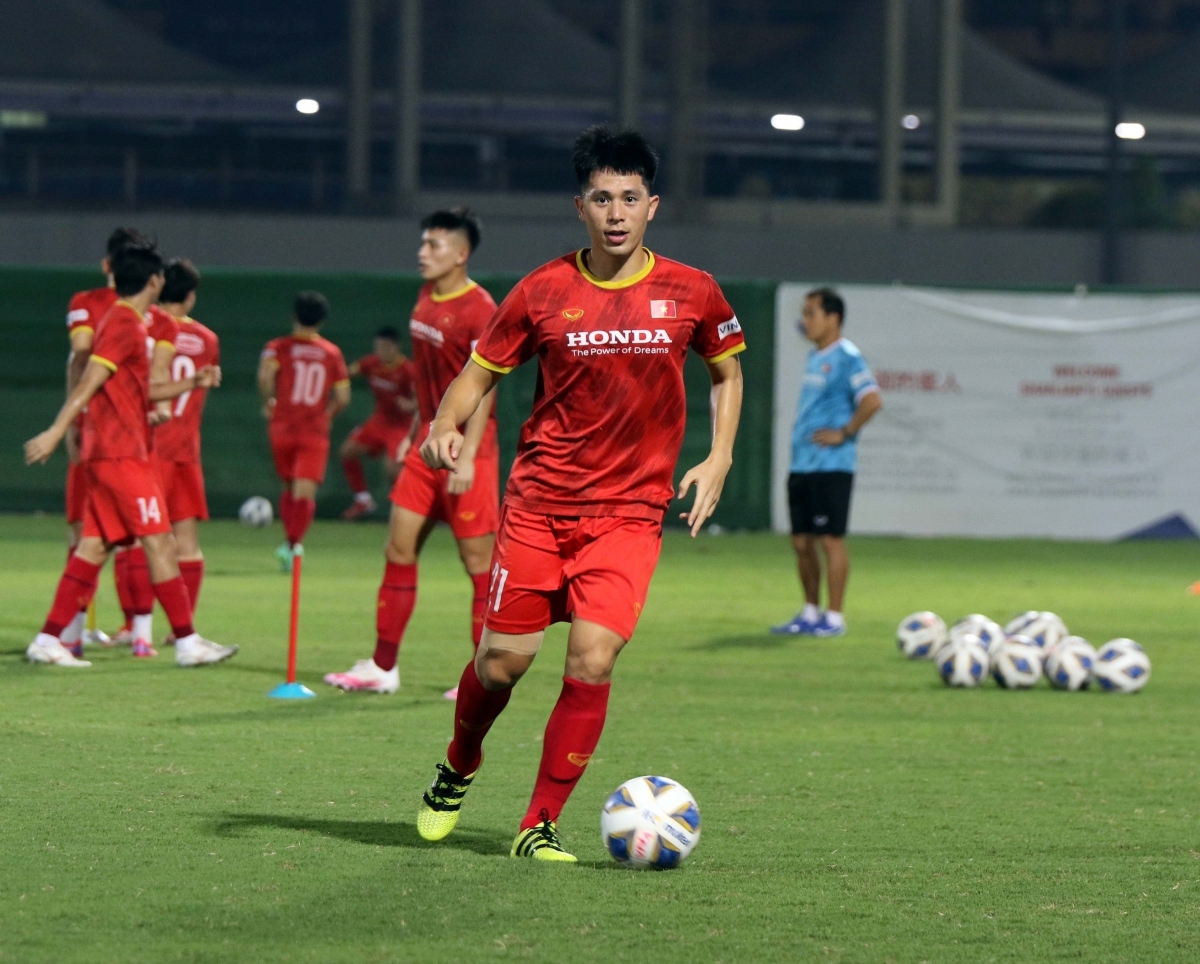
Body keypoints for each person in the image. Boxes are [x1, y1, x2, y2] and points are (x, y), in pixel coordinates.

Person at [413, 126, 745, 861]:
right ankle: (458, 763)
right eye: (602, 198)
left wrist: (718, 456)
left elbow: (726, 369)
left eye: (630, 197)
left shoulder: (692, 291)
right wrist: (446, 425)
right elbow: (477, 375)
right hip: (538, 506)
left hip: (628, 514)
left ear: (652, 206)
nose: (617, 211)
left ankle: (538, 824)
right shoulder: (542, 290)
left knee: (592, 658)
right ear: (581, 207)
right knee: (502, 664)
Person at [24, 241, 236, 668]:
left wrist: (193, 381)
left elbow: (142, 390)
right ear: (154, 280)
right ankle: (187, 641)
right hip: (120, 456)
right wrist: (56, 430)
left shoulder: (132, 322)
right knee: (160, 540)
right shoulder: (124, 322)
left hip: (116, 452)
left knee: (95, 547)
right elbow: (90, 380)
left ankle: (47, 639)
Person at [324, 208, 499, 700]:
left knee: (478, 566)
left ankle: (480, 680)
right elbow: (428, 382)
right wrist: (411, 433)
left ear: (461, 255)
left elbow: (486, 390)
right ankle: (383, 668)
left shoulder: (481, 310)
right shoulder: (424, 300)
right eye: (423, 243)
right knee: (398, 549)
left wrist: (467, 459)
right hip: (425, 447)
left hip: (471, 453)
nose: (423, 253)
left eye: (434, 245)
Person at [770, 288, 881, 638]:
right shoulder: (815, 356)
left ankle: (834, 618)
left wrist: (844, 432)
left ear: (833, 318)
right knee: (801, 542)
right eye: (804, 313)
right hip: (803, 463)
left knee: (830, 539)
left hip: (831, 465)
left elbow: (872, 400)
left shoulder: (847, 357)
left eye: (811, 313)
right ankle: (809, 612)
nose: (805, 321)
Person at [62, 227, 144, 653]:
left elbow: (80, 353)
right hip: (118, 437)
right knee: (133, 531)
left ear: (106, 264)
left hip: (101, 434)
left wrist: (70, 424)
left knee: (88, 533)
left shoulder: (90, 304)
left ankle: (70, 635)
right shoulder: (140, 314)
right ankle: (139, 633)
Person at [149, 259, 220, 652]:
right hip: (185, 450)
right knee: (187, 543)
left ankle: (134, 629)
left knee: (138, 541)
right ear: (191, 295)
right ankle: (183, 632)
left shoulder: (145, 327)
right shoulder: (207, 339)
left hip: (145, 448)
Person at [257, 292, 351, 571]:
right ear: (322, 320)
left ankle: (290, 544)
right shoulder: (332, 353)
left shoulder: (277, 347)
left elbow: (264, 376)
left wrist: (269, 403)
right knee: (304, 492)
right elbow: (343, 397)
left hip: (282, 425)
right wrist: (328, 415)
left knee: (288, 487)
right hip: (314, 429)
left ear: (294, 316)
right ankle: (292, 545)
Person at [339, 326, 418, 520]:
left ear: (396, 347)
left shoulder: (408, 370)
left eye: (386, 346)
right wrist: (335, 376)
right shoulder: (371, 363)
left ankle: (406, 509)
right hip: (379, 421)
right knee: (347, 452)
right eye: (378, 346)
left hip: (401, 425)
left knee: (392, 470)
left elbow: (422, 400)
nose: (381, 351)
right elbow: (348, 372)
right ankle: (363, 501)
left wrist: (410, 404)